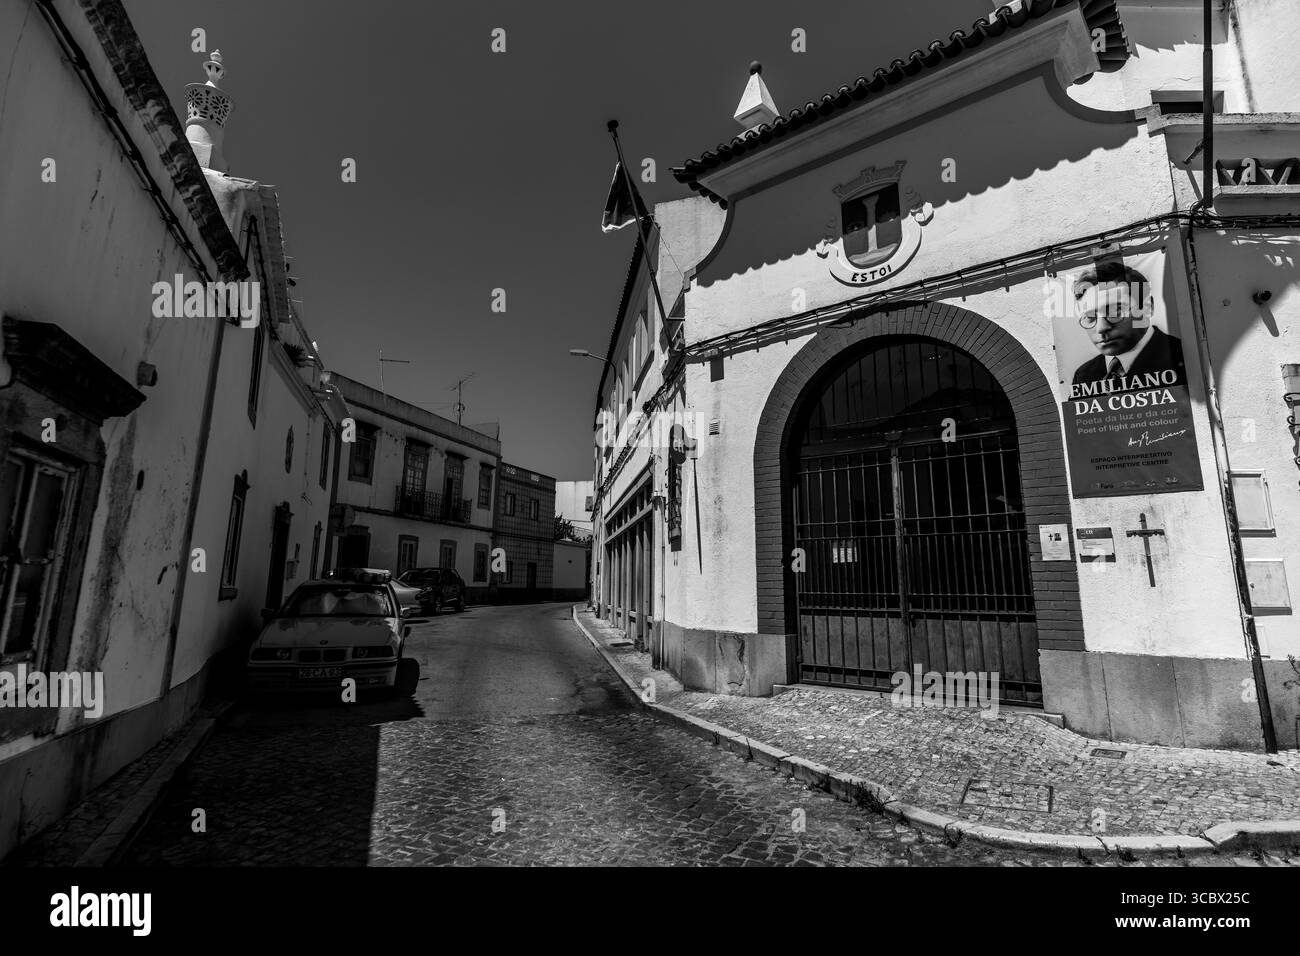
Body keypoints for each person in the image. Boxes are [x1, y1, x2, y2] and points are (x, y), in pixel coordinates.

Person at [1070, 260, 1186, 391]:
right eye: (1090, 317)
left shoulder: (1183, 356)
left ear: (1147, 307)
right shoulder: (1084, 376)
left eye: (1116, 311)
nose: (1101, 328)